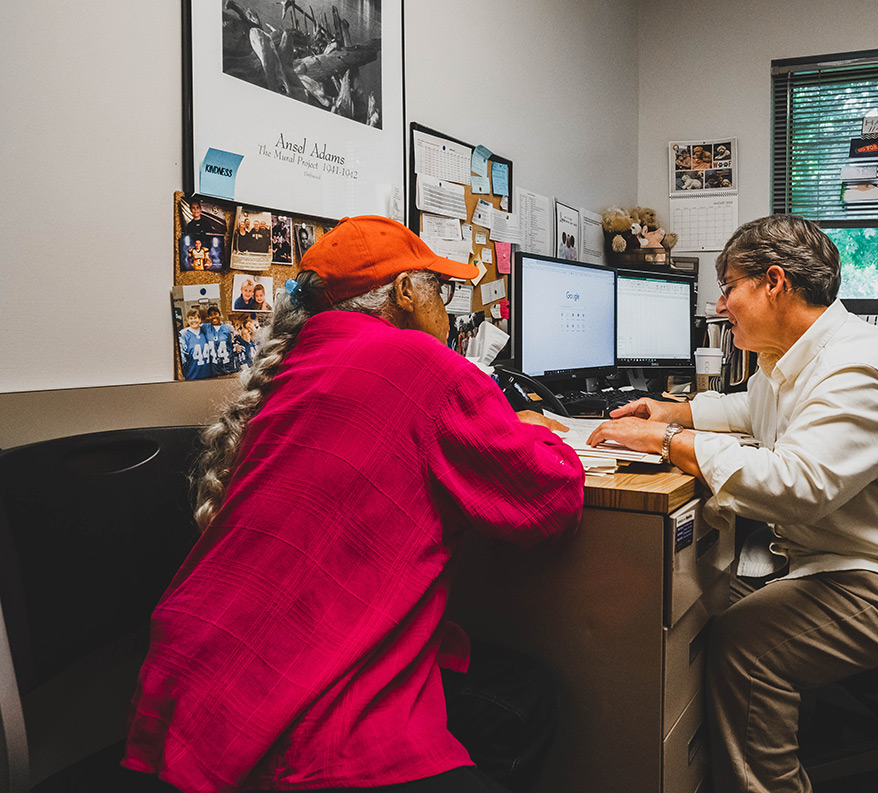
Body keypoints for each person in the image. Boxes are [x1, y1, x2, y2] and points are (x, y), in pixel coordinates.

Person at [124, 215, 585, 793]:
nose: (446, 308)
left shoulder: (291, 368)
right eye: (439, 290)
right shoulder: (427, 366)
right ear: (406, 293)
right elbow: (549, 499)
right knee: (521, 703)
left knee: (518, 694)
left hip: (190, 688)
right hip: (309, 709)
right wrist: (539, 432)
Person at [586, 214, 878, 793]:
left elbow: (798, 487)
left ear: (774, 283)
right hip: (852, 563)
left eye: (729, 287)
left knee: (745, 648)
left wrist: (672, 444)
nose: (722, 304)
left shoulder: (854, 366)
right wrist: (672, 412)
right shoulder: (795, 357)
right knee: (711, 600)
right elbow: (750, 411)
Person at [203, 306, 238, 376]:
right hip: (214, 366)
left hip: (227, 364)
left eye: (215, 314)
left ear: (220, 314)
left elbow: (231, 343)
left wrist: (237, 345)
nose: (213, 317)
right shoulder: (205, 327)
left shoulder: (227, 328)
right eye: (211, 315)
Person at [178, 308, 212, 380]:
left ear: (199, 319)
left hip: (208, 375)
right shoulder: (184, 336)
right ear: (187, 320)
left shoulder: (205, 332)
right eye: (191, 318)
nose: (193, 320)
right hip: (192, 376)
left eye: (195, 318)